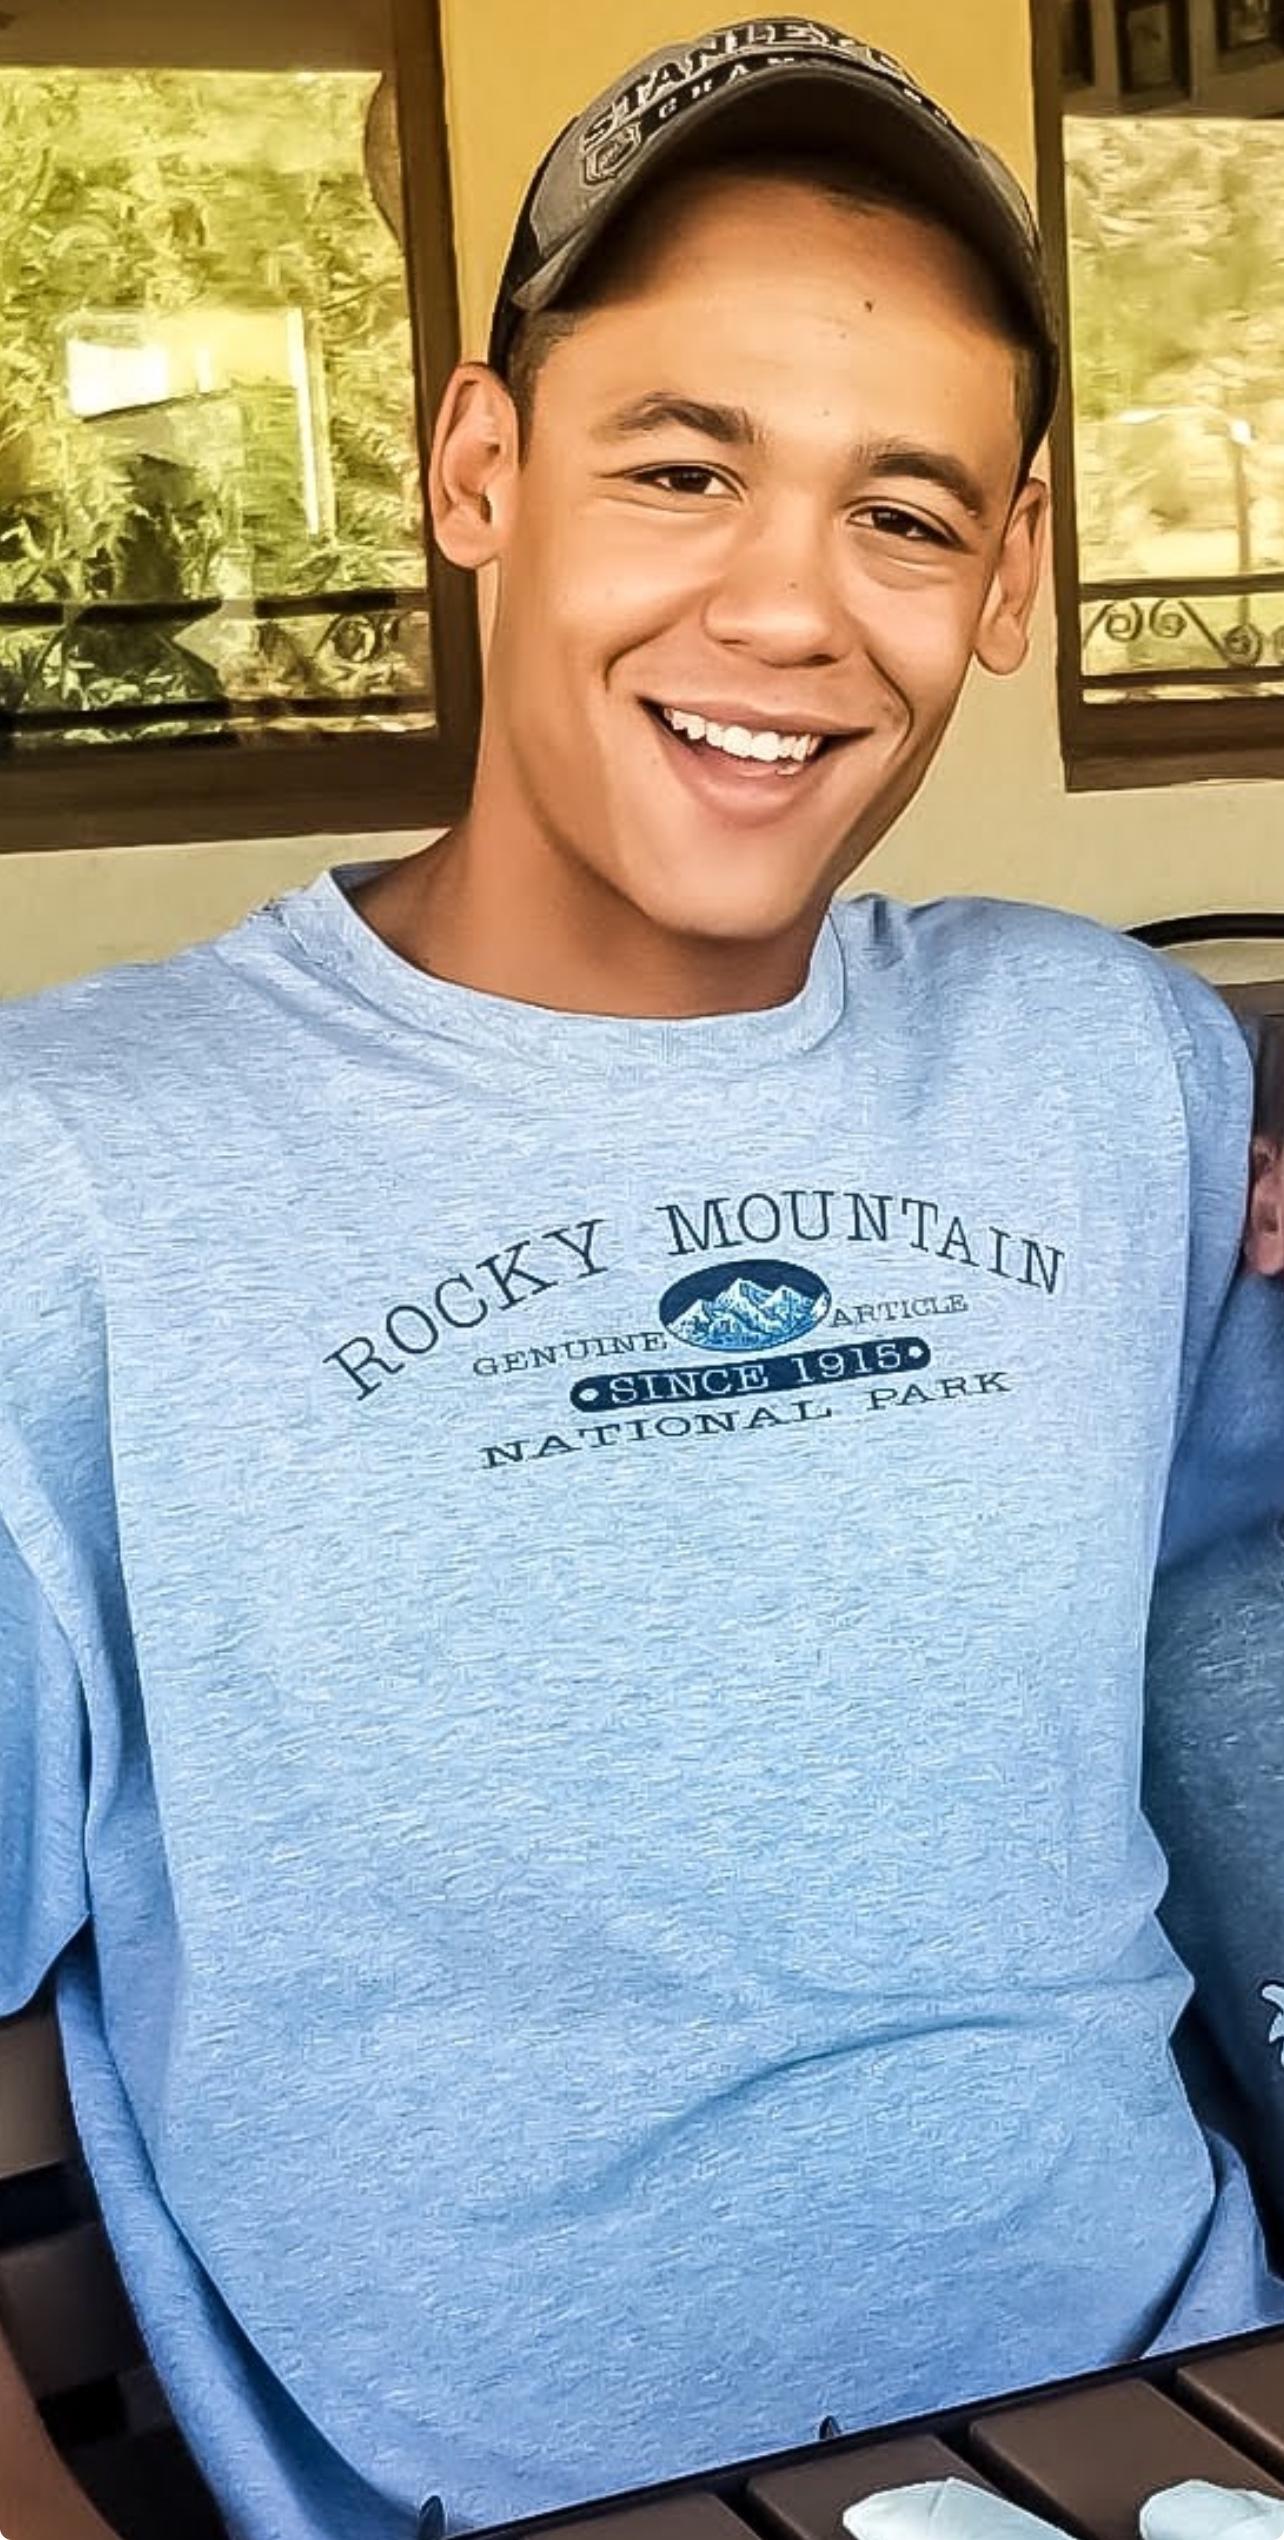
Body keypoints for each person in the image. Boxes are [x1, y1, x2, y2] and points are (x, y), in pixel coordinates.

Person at [0, 20, 1281, 2540]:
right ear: (480, 469)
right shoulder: (75, 1173)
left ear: (1013, 571)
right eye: (683, 469)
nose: (786, 606)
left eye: (903, 511)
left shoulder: (1105, 1059)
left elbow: (1218, 1567)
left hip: (1186, 2409)